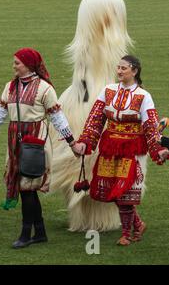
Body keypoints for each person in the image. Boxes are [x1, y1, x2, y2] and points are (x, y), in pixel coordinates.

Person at [0, 47, 79, 249]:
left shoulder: (45, 89)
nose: (14, 66)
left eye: (17, 63)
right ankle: (39, 232)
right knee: (26, 189)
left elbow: (57, 117)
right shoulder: (10, 87)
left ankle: (25, 233)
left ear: (29, 65)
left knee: (27, 188)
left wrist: (71, 142)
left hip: (35, 141)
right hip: (15, 141)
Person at [72, 55, 169, 246]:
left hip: (132, 149)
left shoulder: (144, 96)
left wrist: (158, 149)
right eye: (118, 68)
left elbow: (150, 125)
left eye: (124, 68)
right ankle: (138, 224)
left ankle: (127, 233)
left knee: (125, 192)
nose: (119, 71)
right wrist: (85, 141)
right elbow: (95, 120)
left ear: (134, 71)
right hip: (110, 148)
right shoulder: (108, 91)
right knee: (112, 189)